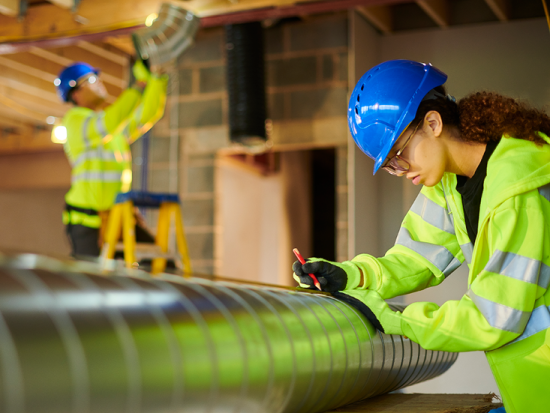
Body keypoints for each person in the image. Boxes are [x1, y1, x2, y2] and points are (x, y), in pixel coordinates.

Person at [293, 59, 550, 413]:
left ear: (432, 123)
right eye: (389, 165)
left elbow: (495, 318)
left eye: (399, 154)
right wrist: (351, 275)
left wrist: (395, 320)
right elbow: (417, 258)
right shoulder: (450, 182)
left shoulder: (517, 193)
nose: (399, 171)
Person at [55, 60, 168, 258]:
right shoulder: (75, 121)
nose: (98, 82)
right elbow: (110, 121)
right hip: (88, 221)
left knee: (159, 263)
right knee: (92, 280)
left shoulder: (112, 129)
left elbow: (146, 115)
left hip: (118, 216)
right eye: (90, 79)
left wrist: (156, 80)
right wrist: (139, 85)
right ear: (75, 93)